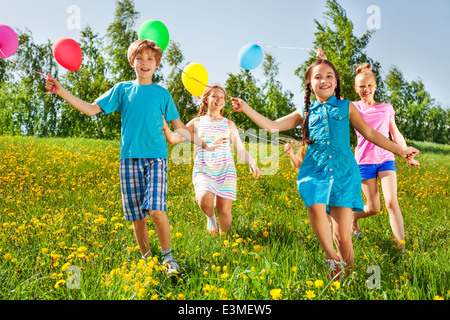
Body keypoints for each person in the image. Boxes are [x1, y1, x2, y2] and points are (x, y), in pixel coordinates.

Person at [45, 39, 223, 275]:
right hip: (128, 161)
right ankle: (147, 260)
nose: (145, 62)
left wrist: (206, 145)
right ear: (132, 62)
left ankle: (168, 259)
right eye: (140, 58)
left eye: (150, 58)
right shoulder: (122, 89)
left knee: (156, 209)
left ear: (157, 64)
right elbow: (90, 109)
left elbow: (180, 128)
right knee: (137, 216)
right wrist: (61, 90)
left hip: (156, 159)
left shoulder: (162, 94)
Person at [231, 59, 419, 279]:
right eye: (318, 77)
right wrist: (245, 108)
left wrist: (400, 150)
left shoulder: (346, 106)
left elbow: (371, 134)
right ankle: (331, 256)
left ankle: (347, 278)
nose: (324, 80)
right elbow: (272, 126)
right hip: (315, 170)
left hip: (344, 173)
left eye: (329, 75)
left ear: (336, 81)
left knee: (343, 236)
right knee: (314, 204)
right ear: (310, 84)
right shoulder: (305, 111)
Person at [165, 85, 261, 235]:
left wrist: (252, 162)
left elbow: (240, 148)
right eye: (215, 96)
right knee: (204, 199)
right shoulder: (197, 122)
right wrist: (164, 124)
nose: (219, 99)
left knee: (224, 209)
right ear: (205, 99)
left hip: (225, 170)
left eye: (222, 97)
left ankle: (226, 244)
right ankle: (210, 217)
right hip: (203, 169)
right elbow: (176, 138)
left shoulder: (229, 124)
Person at [351, 63, 420, 250]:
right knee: (374, 208)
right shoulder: (353, 107)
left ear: (375, 86)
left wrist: (408, 155)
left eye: (369, 85)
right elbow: (332, 95)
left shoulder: (386, 108)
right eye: (361, 86)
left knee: (391, 202)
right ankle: (352, 217)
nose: (366, 89)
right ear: (356, 89)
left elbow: (396, 134)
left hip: (386, 159)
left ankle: (401, 248)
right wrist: (324, 61)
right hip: (364, 161)